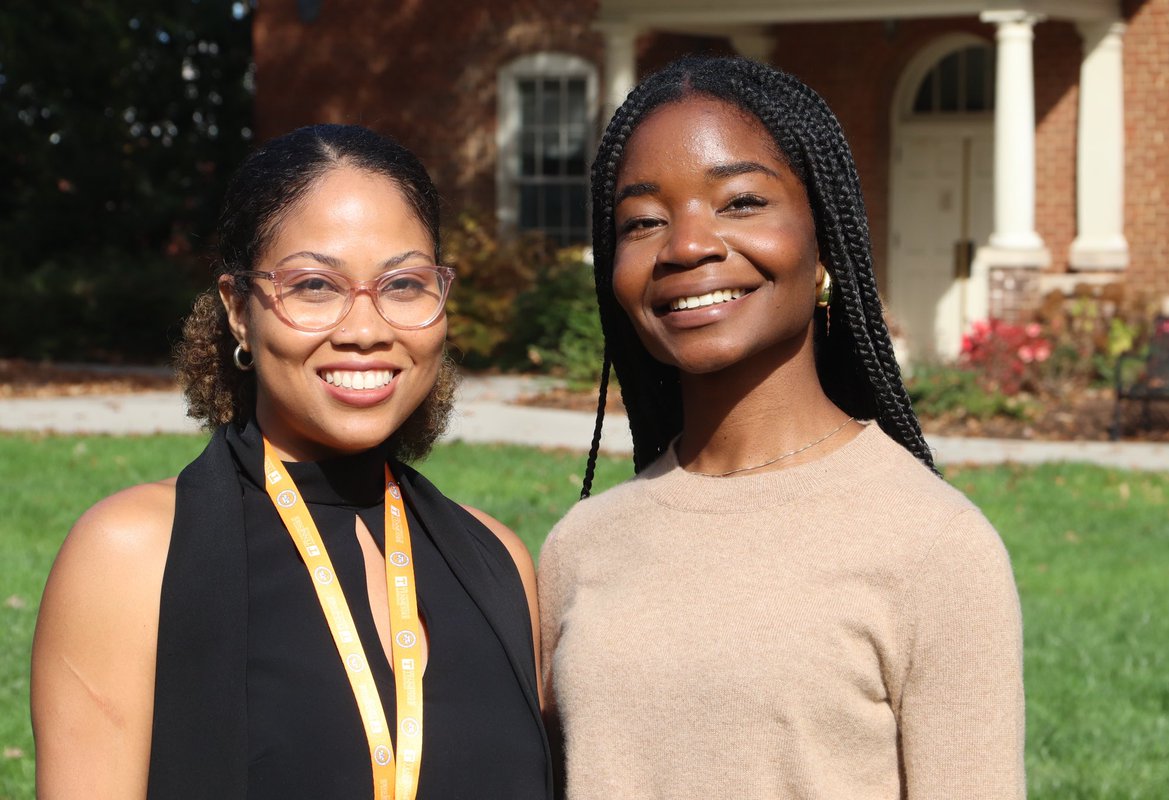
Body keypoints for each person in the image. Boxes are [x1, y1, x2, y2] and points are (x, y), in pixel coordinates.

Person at [538, 56, 1025, 799]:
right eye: (643, 220)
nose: (687, 245)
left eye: (739, 203)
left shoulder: (935, 548)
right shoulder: (582, 544)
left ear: (824, 242)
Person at [31, 124, 552, 799]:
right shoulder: (133, 557)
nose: (366, 330)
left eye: (403, 284)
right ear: (240, 311)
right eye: (314, 285)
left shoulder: (498, 563)